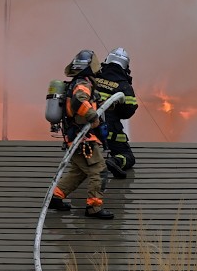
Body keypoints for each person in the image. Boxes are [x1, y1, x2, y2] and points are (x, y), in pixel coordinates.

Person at [50, 50, 115, 220]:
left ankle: (55, 197)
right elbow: (79, 101)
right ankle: (93, 207)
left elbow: (87, 101)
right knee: (99, 170)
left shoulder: (79, 82)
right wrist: (93, 116)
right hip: (83, 138)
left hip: (76, 136)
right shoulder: (83, 84)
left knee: (79, 171)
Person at [94, 47, 138, 176]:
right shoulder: (124, 86)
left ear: (107, 60)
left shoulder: (93, 77)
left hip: (86, 129)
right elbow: (128, 112)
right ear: (125, 66)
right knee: (128, 156)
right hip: (109, 132)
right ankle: (116, 161)